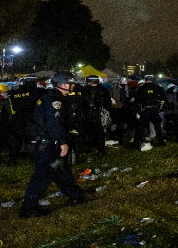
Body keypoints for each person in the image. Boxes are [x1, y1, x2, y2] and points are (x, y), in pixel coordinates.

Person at [20, 71, 85, 218]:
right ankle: (28, 208)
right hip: (48, 144)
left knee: (61, 170)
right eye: (71, 83)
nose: (73, 86)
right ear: (63, 85)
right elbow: (54, 124)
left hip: (49, 142)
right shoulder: (55, 100)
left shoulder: (53, 97)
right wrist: (62, 142)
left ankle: (76, 195)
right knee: (43, 175)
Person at [131, 75, 166, 148]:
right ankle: (161, 142)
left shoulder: (141, 88)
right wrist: (160, 103)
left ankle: (135, 143)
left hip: (145, 109)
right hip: (154, 109)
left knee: (140, 126)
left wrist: (138, 108)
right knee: (157, 126)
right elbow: (163, 96)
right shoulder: (157, 87)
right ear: (152, 80)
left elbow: (137, 99)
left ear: (145, 79)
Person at [84, 75, 111, 156]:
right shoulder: (103, 90)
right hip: (99, 115)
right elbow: (108, 103)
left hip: (87, 115)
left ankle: (87, 149)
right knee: (100, 133)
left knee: (87, 133)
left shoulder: (84, 90)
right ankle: (101, 150)